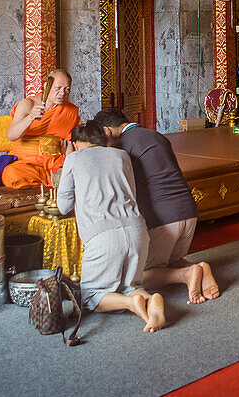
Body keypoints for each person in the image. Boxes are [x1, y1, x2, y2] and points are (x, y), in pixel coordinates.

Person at [94, 108, 219, 304]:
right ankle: (200, 268)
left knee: (131, 277)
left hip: (163, 218)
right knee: (168, 262)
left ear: (107, 131)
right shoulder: (157, 135)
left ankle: (187, 274)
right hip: (189, 210)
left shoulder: (122, 147)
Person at [56, 122, 165, 332]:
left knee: (89, 296)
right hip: (136, 231)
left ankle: (130, 304)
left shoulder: (73, 158)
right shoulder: (121, 155)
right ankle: (149, 300)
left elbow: (63, 206)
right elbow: (131, 193)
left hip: (102, 236)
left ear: (75, 143)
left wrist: (68, 161)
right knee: (130, 287)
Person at [2, 69, 81, 189]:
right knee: (11, 174)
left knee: (78, 171)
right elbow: (11, 136)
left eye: (67, 89)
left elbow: (71, 144)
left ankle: (56, 178)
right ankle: (54, 180)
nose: (62, 93)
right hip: (25, 160)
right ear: (47, 86)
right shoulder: (28, 104)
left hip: (54, 161)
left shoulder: (70, 111)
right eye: (58, 88)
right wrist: (31, 117)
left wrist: (69, 165)